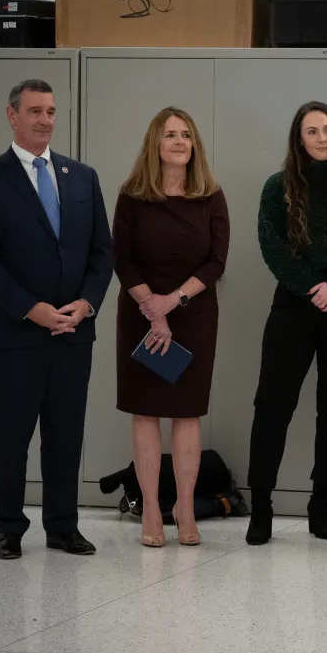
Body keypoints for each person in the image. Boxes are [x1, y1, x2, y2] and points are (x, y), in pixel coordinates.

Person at [0, 78, 114, 560]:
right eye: (34, 111)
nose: (44, 120)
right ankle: (9, 527)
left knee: (65, 436)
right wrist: (32, 309)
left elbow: (101, 252)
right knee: (9, 438)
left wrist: (86, 304)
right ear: (12, 116)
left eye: (50, 111)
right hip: (13, 336)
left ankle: (62, 527)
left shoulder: (81, 176)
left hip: (72, 333)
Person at [246, 102, 327, 545]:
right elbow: (272, 246)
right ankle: (260, 506)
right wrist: (311, 287)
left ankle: (320, 504)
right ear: (298, 140)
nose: (322, 138)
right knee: (272, 408)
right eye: (311, 131)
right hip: (293, 310)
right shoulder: (277, 188)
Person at [112, 107, 230, 547]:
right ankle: (150, 510)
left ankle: (183, 506)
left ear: (194, 144)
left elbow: (217, 260)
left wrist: (174, 300)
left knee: (186, 412)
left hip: (193, 314)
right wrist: (153, 307)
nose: (179, 142)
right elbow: (121, 257)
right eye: (169, 135)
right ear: (155, 144)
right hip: (142, 316)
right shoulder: (132, 195)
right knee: (145, 412)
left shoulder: (211, 195)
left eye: (185, 135)